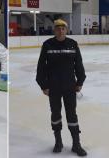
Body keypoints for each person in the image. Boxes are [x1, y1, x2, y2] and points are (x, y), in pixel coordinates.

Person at [36, 19, 87, 156]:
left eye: (63, 28)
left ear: (66, 29)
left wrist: (80, 82)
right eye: (58, 28)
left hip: (70, 86)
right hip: (53, 87)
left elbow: (79, 65)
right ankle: (58, 141)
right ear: (54, 30)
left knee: (72, 115)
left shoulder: (72, 44)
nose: (60, 30)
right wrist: (44, 85)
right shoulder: (47, 45)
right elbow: (41, 67)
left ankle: (76, 144)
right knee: (56, 114)